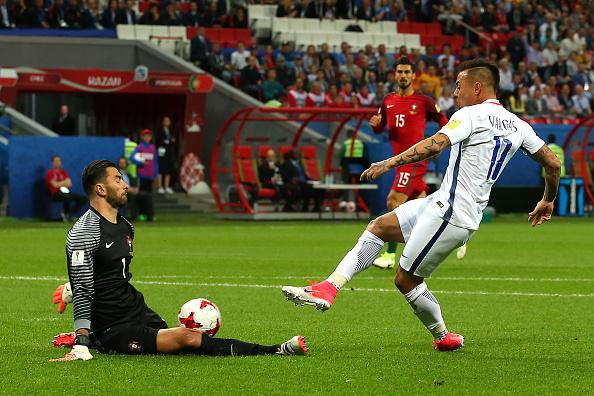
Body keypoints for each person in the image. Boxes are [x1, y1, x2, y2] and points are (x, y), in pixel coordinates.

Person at [282, 58, 561, 351]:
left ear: (477, 87)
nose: (454, 93)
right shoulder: (518, 125)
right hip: (442, 204)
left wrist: (389, 162)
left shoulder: (470, 115)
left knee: (405, 279)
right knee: (379, 226)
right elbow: (553, 163)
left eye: (458, 85)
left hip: (452, 214)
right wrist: (548, 200)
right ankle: (329, 287)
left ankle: (443, 336)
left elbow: (436, 144)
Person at [49, 159, 308, 361]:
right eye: (118, 179)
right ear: (100, 188)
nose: (125, 184)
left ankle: (92, 337)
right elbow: (84, 290)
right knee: (188, 338)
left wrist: (70, 289)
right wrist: (81, 342)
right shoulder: (84, 232)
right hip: (114, 327)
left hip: (136, 309)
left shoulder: (126, 227)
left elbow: (111, 274)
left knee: (183, 342)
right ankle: (276, 350)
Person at [369, 57, 448, 268]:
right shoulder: (388, 101)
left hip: (414, 160)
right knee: (423, 210)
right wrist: (376, 125)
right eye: (400, 72)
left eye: (407, 72)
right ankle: (445, 235)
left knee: (393, 202)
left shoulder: (424, 101)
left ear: (413, 76)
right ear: (395, 75)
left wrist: (441, 139)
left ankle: (389, 256)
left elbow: (443, 120)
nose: (403, 76)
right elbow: (380, 126)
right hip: (398, 162)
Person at [46, 155, 86, 221]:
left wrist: (59, 183)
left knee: (84, 198)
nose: (57, 162)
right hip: (55, 194)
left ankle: (68, 213)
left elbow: (69, 184)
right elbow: (54, 185)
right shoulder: (50, 173)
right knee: (67, 197)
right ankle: (66, 214)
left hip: (66, 192)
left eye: (58, 161)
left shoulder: (63, 172)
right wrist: (63, 182)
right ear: (52, 162)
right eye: (55, 161)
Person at [129, 129, 157, 221]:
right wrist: (141, 162)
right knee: (141, 195)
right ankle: (142, 214)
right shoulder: (139, 147)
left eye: (148, 136)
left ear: (151, 137)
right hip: (141, 175)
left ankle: (149, 214)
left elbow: (155, 162)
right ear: (142, 137)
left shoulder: (153, 148)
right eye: (145, 136)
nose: (147, 138)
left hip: (150, 176)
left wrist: (156, 173)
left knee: (149, 196)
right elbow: (132, 158)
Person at [155, 116, 177, 195]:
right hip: (161, 151)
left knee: (168, 170)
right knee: (161, 169)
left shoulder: (171, 131)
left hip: (169, 152)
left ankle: (166, 186)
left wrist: (170, 141)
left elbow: (174, 140)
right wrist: (165, 141)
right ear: (163, 122)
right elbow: (157, 140)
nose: (167, 122)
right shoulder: (160, 130)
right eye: (165, 121)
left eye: (168, 120)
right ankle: (160, 186)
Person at [117, 156, 138, 221]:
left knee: (138, 196)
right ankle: (125, 216)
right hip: (121, 192)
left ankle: (133, 217)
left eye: (123, 163)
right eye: (121, 163)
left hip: (129, 191)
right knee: (131, 196)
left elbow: (133, 183)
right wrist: (128, 189)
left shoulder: (128, 173)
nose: (122, 164)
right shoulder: (117, 174)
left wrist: (134, 189)